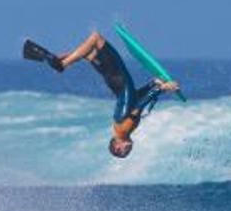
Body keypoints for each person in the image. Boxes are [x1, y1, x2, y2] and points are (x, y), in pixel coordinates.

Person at [23, 31, 181, 158]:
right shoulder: (120, 129)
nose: (129, 150)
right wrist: (153, 84)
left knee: (96, 39)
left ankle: (62, 64)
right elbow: (135, 98)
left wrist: (163, 88)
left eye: (124, 152)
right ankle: (54, 58)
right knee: (90, 54)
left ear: (117, 146)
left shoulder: (124, 129)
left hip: (118, 78)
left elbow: (138, 106)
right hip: (115, 83)